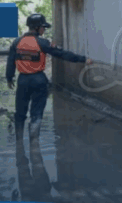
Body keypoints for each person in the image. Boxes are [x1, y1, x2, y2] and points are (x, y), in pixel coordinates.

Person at [6, 13, 92, 141]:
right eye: (43, 27)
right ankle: (34, 141)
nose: (44, 30)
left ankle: (19, 141)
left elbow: (10, 61)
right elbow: (61, 54)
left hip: (22, 80)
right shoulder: (42, 42)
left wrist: (9, 77)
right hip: (39, 80)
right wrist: (83, 59)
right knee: (37, 112)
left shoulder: (17, 42)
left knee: (20, 111)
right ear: (36, 27)